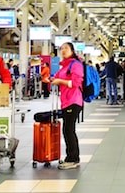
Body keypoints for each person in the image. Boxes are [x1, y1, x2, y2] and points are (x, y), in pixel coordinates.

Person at [50, 42, 84, 170]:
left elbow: (75, 82)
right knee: (67, 130)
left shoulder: (76, 64)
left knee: (69, 130)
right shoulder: (64, 67)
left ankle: (73, 158)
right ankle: (70, 157)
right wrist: (51, 80)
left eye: (66, 48)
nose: (63, 50)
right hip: (66, 101)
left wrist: (60, 81)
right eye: (61, 48)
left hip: (74, 101)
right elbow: (56, 78)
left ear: (72, 51)